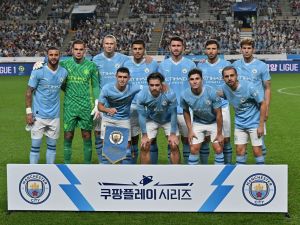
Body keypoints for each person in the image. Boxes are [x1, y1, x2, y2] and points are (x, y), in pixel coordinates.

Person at [25, 47, 68, 164]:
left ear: (60, 56)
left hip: (54, 116)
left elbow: (64, 87)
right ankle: (33, 171)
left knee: (52, 147)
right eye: (51, 55)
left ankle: (50, 172)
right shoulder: (38, 71)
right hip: (38, 116)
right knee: (35, 146)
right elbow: (29, 91)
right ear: (47, 56)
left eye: (56, 55)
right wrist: (29, 112)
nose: (53, 57)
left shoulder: (64, 72)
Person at [158, 36, 196, 164]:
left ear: (183, 48)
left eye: (178, 46)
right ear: (169, 48)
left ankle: (187, 172)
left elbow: (196, 86)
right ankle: (174, 172)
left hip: (186, 110)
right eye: (173, 46)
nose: (176, 48)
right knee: (173, 143)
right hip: (169, 112)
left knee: (188, 141)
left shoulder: (190, 64)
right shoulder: (163, 65)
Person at [61, 40, 100, 164]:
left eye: (81, 49)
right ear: (72, 50)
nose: (78, 52)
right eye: (76, 49)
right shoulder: (64, 64)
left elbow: (95, 86)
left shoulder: (91, 66)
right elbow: (51, 66)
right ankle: (67, 165)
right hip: (69, 106)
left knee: (87, 135)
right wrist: (40, 62)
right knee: (68, 136)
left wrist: (97, 103)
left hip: (85, 106)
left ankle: (87, 166)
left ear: (85, 50)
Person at [232, 38, 271, 159]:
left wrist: (267, 108)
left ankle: (261, 167)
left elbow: (267, 88)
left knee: (259, 144)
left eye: (249, 48)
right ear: (241, 50)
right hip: (241, 109)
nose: (246, 50)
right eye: (244, 48)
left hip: (258, 108)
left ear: (253, 49)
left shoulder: (262, 66)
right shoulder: (235, 65)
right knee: (241, 146)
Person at [92, 35, 128, 164]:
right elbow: (95, 82)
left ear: (115, 45)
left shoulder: (123, 59)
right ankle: (103, 163)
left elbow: (137, 61)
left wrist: (147, 57)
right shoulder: (95, 60)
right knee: (98, 134)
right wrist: (97, 102)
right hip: (101, 104)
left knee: (117, 134)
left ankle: (117, 161)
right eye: (106, 43)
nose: (109, 45)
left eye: (111, 43)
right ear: (102, 45)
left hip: (119, 104)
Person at [220, 66, 266, 165]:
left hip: (255, 123)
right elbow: (218, 95)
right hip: (239, 124)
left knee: (257, 151)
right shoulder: (224, 88)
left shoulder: (249, 86)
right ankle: (240, 176)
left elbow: (262, 103)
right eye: (226, 76)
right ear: (223, 78)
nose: (229, 78)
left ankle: (261, 175)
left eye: (232, 75)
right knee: (239, 151)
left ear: (237, 76)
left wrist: (261, 125)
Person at [197, 39, 233, 164]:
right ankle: (205, 168)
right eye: (209, 49)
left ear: (218, 50)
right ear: (205, 50)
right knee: (205, 139)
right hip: (205, 108)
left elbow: (232, 84)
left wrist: (225, 93)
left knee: (226, 139)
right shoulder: (200, 65)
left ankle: (227, 168)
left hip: (222, 106)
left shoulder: (226, 64)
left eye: (213, 48)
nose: (211, 51)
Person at [123, 40, 159, 164]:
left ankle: (151, 169)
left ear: (144, 50)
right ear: (132, 50)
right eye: (135, 49)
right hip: (132, 107)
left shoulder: (153, 64)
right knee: (133, 139)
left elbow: (160, 83)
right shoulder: (126, 64)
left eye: (140, 49)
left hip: (149, 108)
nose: (137, 51)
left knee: (150, 140)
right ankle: (134, 169)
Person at [181, 69, 224, 165]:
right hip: (198, 122)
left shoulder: (211, 92)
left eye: (197, 78)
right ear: (189, 81)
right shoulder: (184, 95)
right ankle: (193, 176)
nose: (195, 81)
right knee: (193, 149)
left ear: (202, 80)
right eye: (192, 79)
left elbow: (219, 113)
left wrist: (220, 133)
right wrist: (190, 130)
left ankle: (219, 175)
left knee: (218, 148)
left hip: (214, 122)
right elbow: (186, 111)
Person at [98, 67, 141, 164]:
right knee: (107, 148)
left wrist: (163, 85)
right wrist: (108, 109)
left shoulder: (134, 87)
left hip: (124, 120)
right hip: (108, 119)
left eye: (125, 77)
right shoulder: (107, 88)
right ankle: (105, 172)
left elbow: (149, 88)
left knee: (126, 148)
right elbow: (100, 107)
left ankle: (125, 173)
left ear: (129, 78)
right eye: (120, 77)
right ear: (116, 77)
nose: (122, 79)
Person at [136, 72, 179, 164]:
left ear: (161, 85)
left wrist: (173, 133)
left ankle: (176, 173)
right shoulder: (141, 95)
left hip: (168, 120)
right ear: (148, 85)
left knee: (174, 144)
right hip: (152, 119)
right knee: (144, 145)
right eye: (151, 85)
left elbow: (174, 114)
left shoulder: (170, 94)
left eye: (157, 85)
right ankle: (145, 174)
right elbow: (141, 115)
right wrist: (144, 135)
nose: (154, 87)